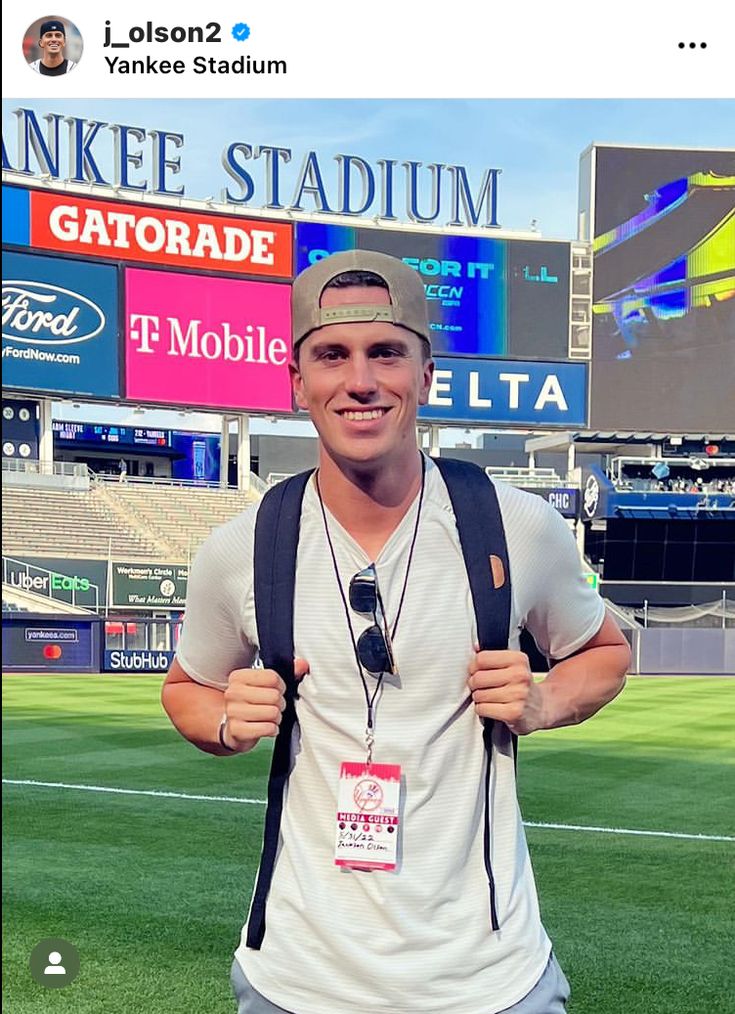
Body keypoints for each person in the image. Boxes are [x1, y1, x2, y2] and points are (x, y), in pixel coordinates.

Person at [162, 250, 631, 1014]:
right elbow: (186, 686)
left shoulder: (517, 526)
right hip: (296, 981)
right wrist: (220, 720)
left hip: (488, 982)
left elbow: (605, 650)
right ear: (296, 382)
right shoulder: (241, 548)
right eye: (331, 356)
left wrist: (544, 703)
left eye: (386, 352)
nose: (359, 381)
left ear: (425, 375)